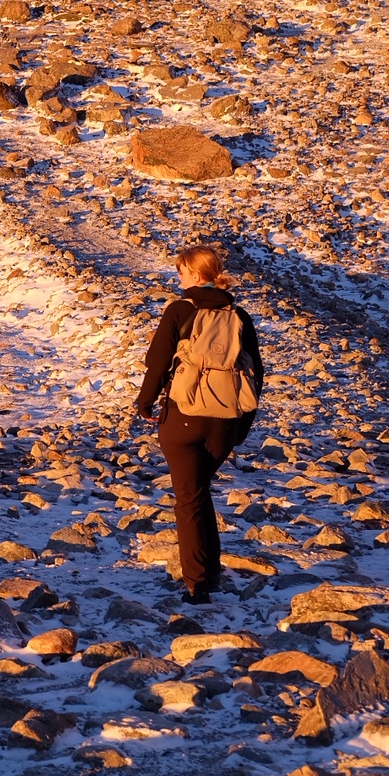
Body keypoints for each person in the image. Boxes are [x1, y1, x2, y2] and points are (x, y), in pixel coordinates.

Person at [134, 246, 264, 605]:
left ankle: (198, 585)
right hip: (226, 421)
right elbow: (256, 376)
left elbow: (158, 362)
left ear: (193, 275)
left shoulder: (180, 310)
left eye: (180, 272)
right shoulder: (239, 316)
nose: (178, 279)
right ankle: (211, 570)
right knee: (199, 492)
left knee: (188, 500)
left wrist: (145, 403)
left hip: (184, 417)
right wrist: (240, 428)